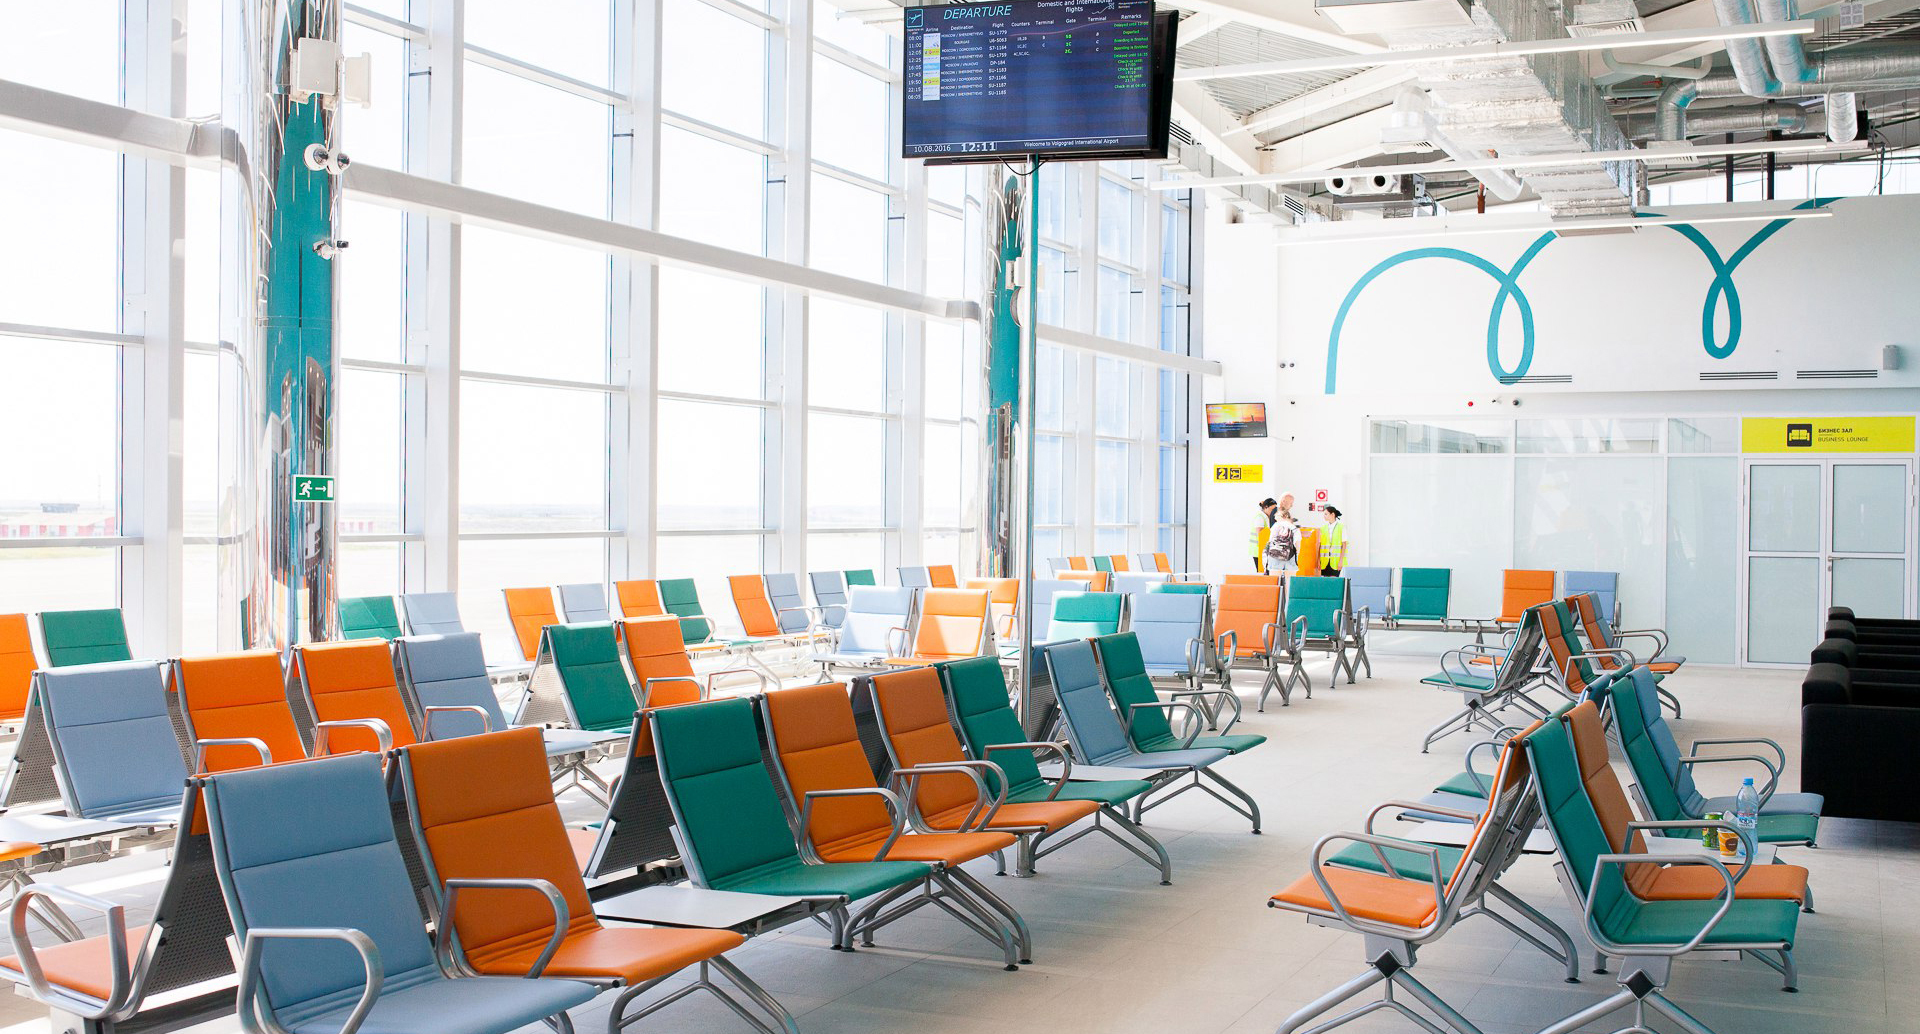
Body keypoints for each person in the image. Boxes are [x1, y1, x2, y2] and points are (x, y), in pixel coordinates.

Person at [1264, 495, 1298, 573]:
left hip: (1281, 554)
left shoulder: (1279, 515)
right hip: (1279, 553)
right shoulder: (1277, 513)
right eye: (1291, 503)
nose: (1292, 505)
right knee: (1280, 576)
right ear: (1284, 501)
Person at [1249, 498, 1278, 572]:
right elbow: (1260, 532)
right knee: (1262, 572)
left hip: (1263, 549)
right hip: (1258, 549)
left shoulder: (1266, 516)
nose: (1273, 512)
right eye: (1272, 509)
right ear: (1266, 507)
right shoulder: (1260, 517)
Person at [1319, 505, 1348, 577]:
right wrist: (1318, 561)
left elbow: (1344, 545)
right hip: (1324, 561)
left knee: (1333, 581)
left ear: (1332, 514)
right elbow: (1319, 546)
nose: (1324, 516)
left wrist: (1341, 561)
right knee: (1325, 581)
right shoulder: (1323, 528)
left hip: (1336, 561)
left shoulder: (1341, 527)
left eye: (1326, 514)